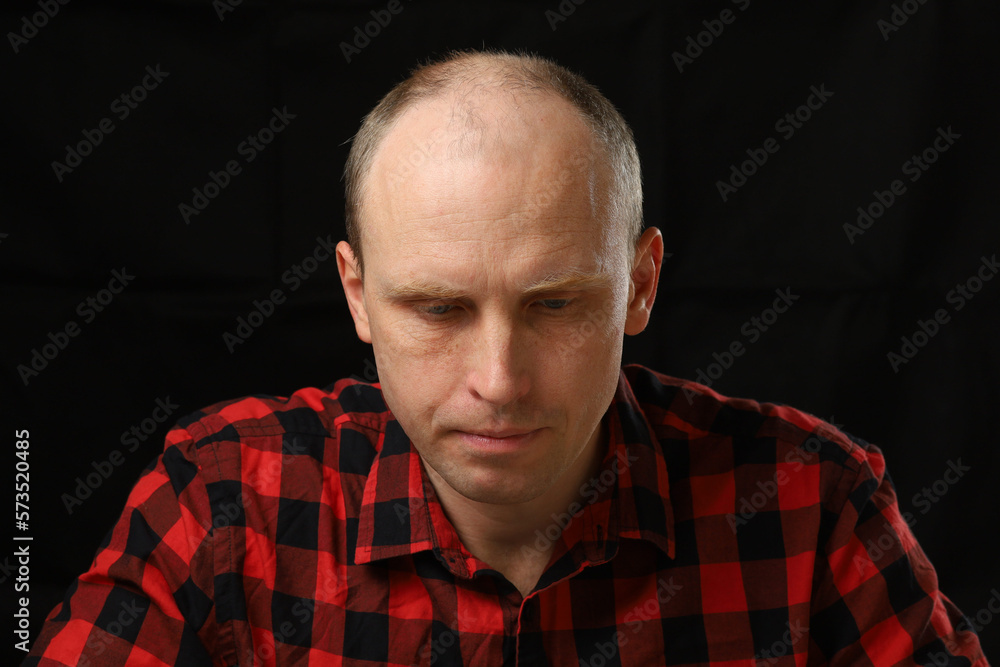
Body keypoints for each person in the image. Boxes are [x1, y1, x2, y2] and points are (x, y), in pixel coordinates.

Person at [24, 49, 987, 666]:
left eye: (555, 303)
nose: (498, 378)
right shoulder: (225, 495)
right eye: (438, 308)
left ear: (641, 284)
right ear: (358, 294)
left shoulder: (811, 505)